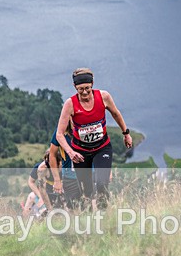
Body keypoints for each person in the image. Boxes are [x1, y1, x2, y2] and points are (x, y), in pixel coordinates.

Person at [53, 67, 132, 209]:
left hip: (102, 148)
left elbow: (116, 113)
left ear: (93, 84)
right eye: (80, 89)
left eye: (87, 89)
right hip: (80, 153)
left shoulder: (104, 96)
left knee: (102, 184)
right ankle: (88, 220)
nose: (84, 92)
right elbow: (59, 134)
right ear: (74, 87)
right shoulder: (70, 104)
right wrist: (71, 153)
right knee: (86, 192)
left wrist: (126, 133)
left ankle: (103, 214)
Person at [48, 123, 82, 210]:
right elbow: (52, 155)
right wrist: (57, 180)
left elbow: (100, 149)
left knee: (91, 205)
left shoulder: (88, 125)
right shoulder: (60, 131)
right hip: (70, 176)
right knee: (72, 208)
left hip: (90, 173)